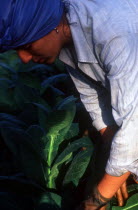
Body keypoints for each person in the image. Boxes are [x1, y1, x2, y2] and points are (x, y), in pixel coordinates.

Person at [0, 0, 138, 209]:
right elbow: (94, 98)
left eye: (27, 47)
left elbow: (134, 128)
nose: (24, 58)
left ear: (51, 26)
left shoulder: (113, 33)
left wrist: (96, 200)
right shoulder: (67, 36)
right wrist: (116, 162)